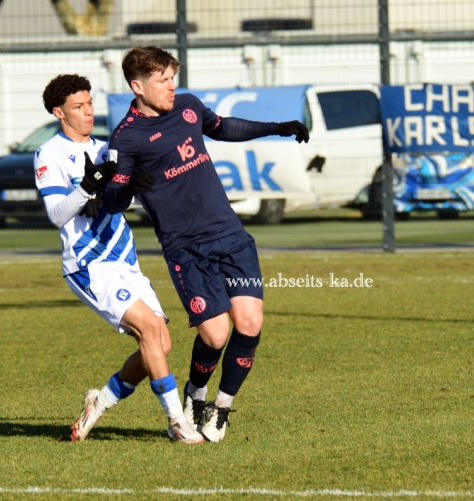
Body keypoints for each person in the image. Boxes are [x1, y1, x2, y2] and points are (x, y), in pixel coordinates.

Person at [104, 46, 309, 442]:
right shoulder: (126, 137)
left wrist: (278, 127)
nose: (171, 86)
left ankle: (222, 408)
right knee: (214, 335)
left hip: (230, 235)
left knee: (250, 323)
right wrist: (126, 186)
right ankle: (195, 393)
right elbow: (113, 200)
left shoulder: (188, 106)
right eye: (162, 80)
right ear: (137, 86)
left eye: (172, 77)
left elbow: (223, 127)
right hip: (186, 248)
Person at [35, 74, 203, 444]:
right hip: (89, 265)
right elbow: (57, 214)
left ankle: (99, 402)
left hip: (125, 259)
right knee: (149, 331)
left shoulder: (107, 149)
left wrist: (137, 188)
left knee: (159, 345)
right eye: (78, 106)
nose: (88, 112)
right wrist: (87, 187)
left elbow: (122, 199)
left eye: (90, 103)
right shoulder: (49, 155)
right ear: (59, 112)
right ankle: (177, 422)